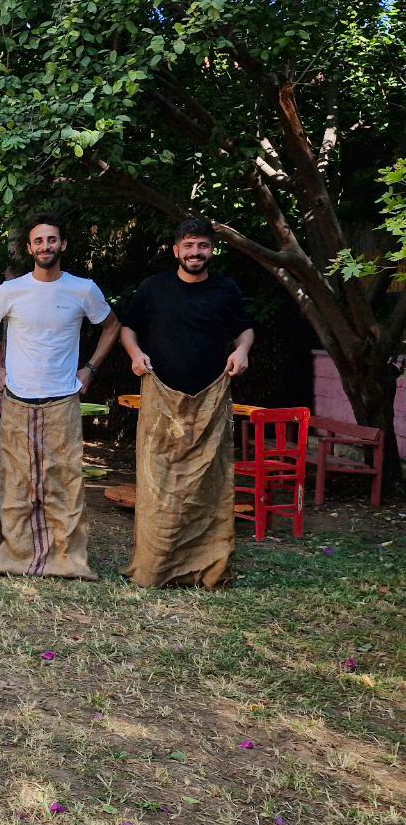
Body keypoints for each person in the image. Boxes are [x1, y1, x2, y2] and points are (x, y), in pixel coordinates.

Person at [0, 212, 120, 580]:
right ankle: (15, 555)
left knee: (64, 481)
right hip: (18, 397)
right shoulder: (12, 290)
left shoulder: (82, 289)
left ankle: (66, 560)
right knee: (16, 480)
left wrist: (91, 369)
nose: (45, 246)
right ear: (30, 248)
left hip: (62, 398)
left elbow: (111, 326)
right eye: (38, 241)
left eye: (51, 240)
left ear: (63, 244)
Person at [121, 218, 254, 589]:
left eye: (203, 246)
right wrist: (135, 354)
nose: (196, 253)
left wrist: (242, 350)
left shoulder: (226, 289)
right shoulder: (153, 288)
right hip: (161, 397)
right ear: (176, 249)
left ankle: (205, 566)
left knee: (208, 482)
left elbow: (245, 327)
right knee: (157, 482)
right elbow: (128, 327)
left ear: (212, 250)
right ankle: (155, 566)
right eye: (189, 245)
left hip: (210, 400)